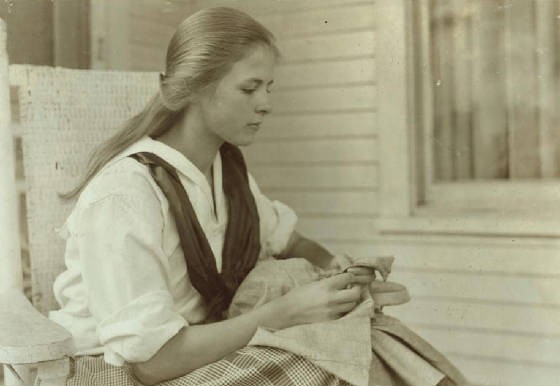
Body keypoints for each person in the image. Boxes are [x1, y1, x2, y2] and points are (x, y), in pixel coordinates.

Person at [49, 6, 467, 386]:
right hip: (114, 370)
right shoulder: (124, 195)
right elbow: (152, 362)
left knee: (367, 343)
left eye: (269, 87)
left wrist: (334, 269)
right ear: (194, 88)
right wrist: (285, 313)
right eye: (250, 89)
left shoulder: (226, 170)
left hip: (201, 349)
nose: (266, 104)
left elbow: (288, 242)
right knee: (332, 368)